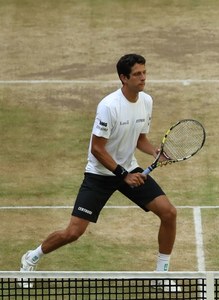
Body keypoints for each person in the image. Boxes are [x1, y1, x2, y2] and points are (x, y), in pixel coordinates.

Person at [19, 54, 179, 290]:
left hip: (127, 168)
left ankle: (161, 274)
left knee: (169, 213)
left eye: (144, 72)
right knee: (73, 232)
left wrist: (155, 152)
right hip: (100, 174)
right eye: (137, 74)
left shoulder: (146, 101)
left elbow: (140, 139)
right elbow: (97, 149)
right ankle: (31, 257)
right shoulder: (109, 106)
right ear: (123, 78)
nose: (143, 77)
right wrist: (123, 174)